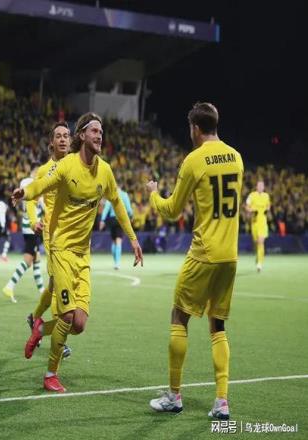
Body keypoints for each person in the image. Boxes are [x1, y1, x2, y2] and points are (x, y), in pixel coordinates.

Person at [12, 112, 143, 393]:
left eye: (101, 132)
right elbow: (40, 185)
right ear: (82, 135)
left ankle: (39, 328)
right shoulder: (65, 166)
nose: (100, 136)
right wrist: (26, 194)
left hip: (83, 254)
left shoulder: (105, 171)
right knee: (68, 315)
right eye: (94, 131)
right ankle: (50, 374)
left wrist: (133, 239)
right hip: (59, 247)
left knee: (80, 323)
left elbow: (117, 204)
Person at [147, 102, 243, 420]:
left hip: (204, 253)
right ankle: (222, 401)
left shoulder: (194, 159)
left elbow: (172, 210)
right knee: (218, 326)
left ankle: (174, 396)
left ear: (196, 128)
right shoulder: (236, 157)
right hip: (230, 256)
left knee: (179, 316)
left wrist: (153, 194)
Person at [25, 121, 71, 357]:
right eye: (58, 136)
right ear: (51, 142)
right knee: (59, 284)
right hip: (53, 235)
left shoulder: (77, 165)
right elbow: (31, 200)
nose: (62, 139)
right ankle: (58, 337)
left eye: (66, 136)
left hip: (73, 235)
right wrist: (34, 221)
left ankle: (34, 318)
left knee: (54, 285)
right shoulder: (44, 171)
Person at [2, 163, 46, 303]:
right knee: (28, 259)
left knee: (36, 258)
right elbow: (38, 202)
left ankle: (42, 291)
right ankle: (9, 286)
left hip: (29, 224)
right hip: (32, 225)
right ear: (35, 171)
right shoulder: (31, 182)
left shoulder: (26, 182)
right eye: (39, 171)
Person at [99, 186, 133, 270]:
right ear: (121, 187)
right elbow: (129, 209)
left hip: (112, 220)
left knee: (114, 241)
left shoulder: (111, 195)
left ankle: (115, 262)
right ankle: (117, 263)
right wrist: (131, 216)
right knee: (119, 241)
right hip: (120, 218)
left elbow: (106, 208)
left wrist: (102, 220)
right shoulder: (124, 195)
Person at [246, 180, 270, 272]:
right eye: (259, 185)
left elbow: (268, 206)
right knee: (256, 243)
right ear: (256, 187)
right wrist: (251, 210)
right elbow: (247, 206)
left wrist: (267, 210)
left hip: (263, 222)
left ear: (263, 187)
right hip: (254, 222)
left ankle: (260, 263)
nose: (260, 187)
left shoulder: (266, 196)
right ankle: (258, 257)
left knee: (261, 242)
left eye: (261, 186)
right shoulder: (252, 195)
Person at [0, 192, 11, 263]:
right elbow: (2, 215)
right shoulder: (3, 205)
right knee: (8, 238)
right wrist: (3, 226)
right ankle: (4, 255)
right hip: (1, 223)